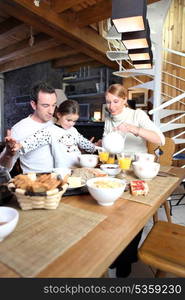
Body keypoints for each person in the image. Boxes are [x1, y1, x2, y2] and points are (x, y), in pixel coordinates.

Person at [102, 84, 165, 278]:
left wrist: (132, 128)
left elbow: (160, 139)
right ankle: (120, 253)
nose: (111, 106)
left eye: (116, 101)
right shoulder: (109, 118)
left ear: (124, 99)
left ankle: (125, 259)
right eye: (108, 102)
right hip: (118, 169)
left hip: (139, 171)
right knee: (112, 211)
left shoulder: (137, 115)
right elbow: (108, 145)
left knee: (134, 214)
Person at [11, 100, 96, 168]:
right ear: (59, 115)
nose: (71, 124)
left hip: (79, 166)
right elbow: (35, 139)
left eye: (74, 121)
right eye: (68, 120)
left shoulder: (73, 130)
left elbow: (83, 142)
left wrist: (94, 148)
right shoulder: (50, 130)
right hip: (63, 170)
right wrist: (19, 145)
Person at [0, 81, 57, 173]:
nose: (51, 111)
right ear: (33, 105)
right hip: (35, 182)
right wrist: (8, 154)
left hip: (62, 179)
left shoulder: (56, 122)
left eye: (54, 105)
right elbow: (2, 168)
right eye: (45, 105)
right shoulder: (20, 129)